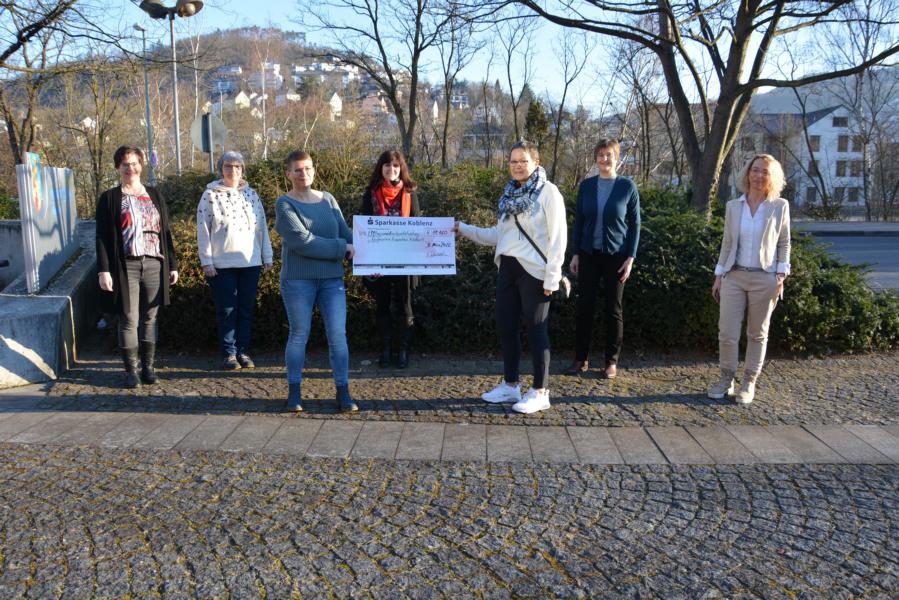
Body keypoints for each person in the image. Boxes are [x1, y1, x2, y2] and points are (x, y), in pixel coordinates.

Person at [455, 140, 566, 414]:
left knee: (537, 330)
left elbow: (558, 237)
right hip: (507, 268)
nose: (517, 166)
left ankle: (540, 391)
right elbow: (498, 235)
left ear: (536, 163)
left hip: (535, 272)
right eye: (513, 161)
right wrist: (463, 229)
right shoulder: (508, 196)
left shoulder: (548, 192)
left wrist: (552, 278)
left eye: (523, 161)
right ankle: (510, 384)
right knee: (506, 328)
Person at [275, 150, 357, 413]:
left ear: (314, 170)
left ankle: (343, 392)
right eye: (298, 170)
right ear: (288, 174)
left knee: (338, 336)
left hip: (332, 280)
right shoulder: (284, 204)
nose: (304, 174)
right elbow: (302, 241)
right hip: (298, 280)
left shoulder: (329, 199)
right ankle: (294, 393)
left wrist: (370, 258)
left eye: (308, 168)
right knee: (299, 335)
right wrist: (341, 248)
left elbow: (346, 234)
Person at [708, 154, 791, 405]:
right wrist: (719, 275)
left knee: (757, 334)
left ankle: (749, 382)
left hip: (765, 278)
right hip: (734, 275)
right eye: (755, 170)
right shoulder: (734, 206)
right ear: (747, 173)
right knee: (727, 332)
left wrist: (781, 274)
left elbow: (784, 242)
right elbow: (727, 243)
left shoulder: (779, 206)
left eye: (765, 171)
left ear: (772, 177)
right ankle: (726, 379)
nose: (758, 175)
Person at [95, 145, 178, 388]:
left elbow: (166, 232)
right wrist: (104, 270)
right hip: (125, 266)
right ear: (118, 167)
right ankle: (131, 371)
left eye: (134, 163)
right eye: (125, 164)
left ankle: (148, 368)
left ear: (141, 165)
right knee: (129, 317)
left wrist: (172, 264)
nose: (130, 168)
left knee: (151, 316)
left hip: (154, 263)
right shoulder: (110, 198)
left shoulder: (154, 195)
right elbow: (102, 237)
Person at [565, 139, 641, 380]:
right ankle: (581, 358)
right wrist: (576, 253)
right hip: (588, 254)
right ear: (595, 158)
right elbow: (579, 221)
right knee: (584, 308)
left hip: (616, 257)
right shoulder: (587, 186)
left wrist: (631, 257)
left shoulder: (627, 187)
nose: (604, 159)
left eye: (609, 155)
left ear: (616, 157)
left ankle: (611, 361)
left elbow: (635, 224)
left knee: (613, 309)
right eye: (600, 155)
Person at [197, 151, 273, 370]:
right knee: (227, 311)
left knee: (246, 309)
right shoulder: (210, 195)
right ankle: (229, 353)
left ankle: (243, 351)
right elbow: (203, 229)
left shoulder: (252, 195)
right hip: (222, 264)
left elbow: (262, 227)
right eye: (228, 166)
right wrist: (206, 261)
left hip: (250, 262)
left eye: (237, 166)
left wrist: (266, 255)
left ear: (243, 169)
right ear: (221, 169)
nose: (233, 170)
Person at [359, 149, 421, 368]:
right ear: (381, 168)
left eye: (395, 165)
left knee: (405, 305)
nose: (391, 169)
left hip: (405, 260)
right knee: (382, 304)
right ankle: (385, 349)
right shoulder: (370, 193)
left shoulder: (410, 192)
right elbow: (364, 227)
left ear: (401, 168)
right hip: (379, 260)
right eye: (387, 165)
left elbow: (418, 224)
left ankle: (403, 350)